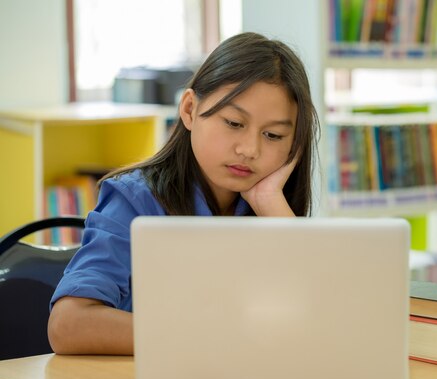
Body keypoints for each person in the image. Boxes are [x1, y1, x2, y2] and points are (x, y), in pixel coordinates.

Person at [48, 32, 319, 355]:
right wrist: (206, 336)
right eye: (233, 123)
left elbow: (320, 322)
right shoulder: (135, 200)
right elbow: (68, 325)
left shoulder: (269, 206)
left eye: (273, 135)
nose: (250, 149)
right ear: (190, 109)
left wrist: (272, 206)